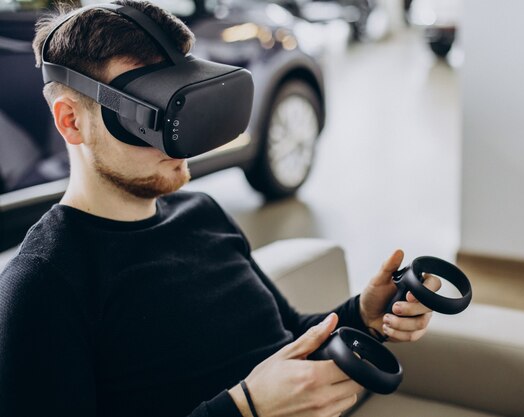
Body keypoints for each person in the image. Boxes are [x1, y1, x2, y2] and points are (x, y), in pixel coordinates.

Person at [0, 1, 441, 416]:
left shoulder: (202, 214)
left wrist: (363, 314)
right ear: (70, 121)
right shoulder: (45, 284)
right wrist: (246, 408)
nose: (180, 138)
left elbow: (287, 335)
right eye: (147, 116)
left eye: (184, 100)